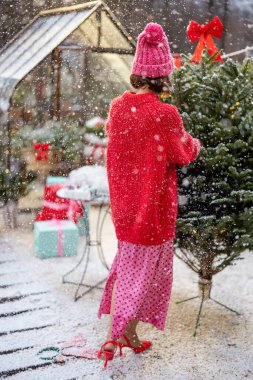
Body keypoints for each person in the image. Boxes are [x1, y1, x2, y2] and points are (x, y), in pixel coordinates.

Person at [97, 22, 202, 368]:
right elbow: (182, 152)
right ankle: (117, 336)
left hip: (126, 209)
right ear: (163, 75)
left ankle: (127, 333)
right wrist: (195, 143)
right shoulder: (165, 113)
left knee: (129, 269)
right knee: (147, 276)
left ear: (137, 72)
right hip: (154, 210)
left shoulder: (117, 108)